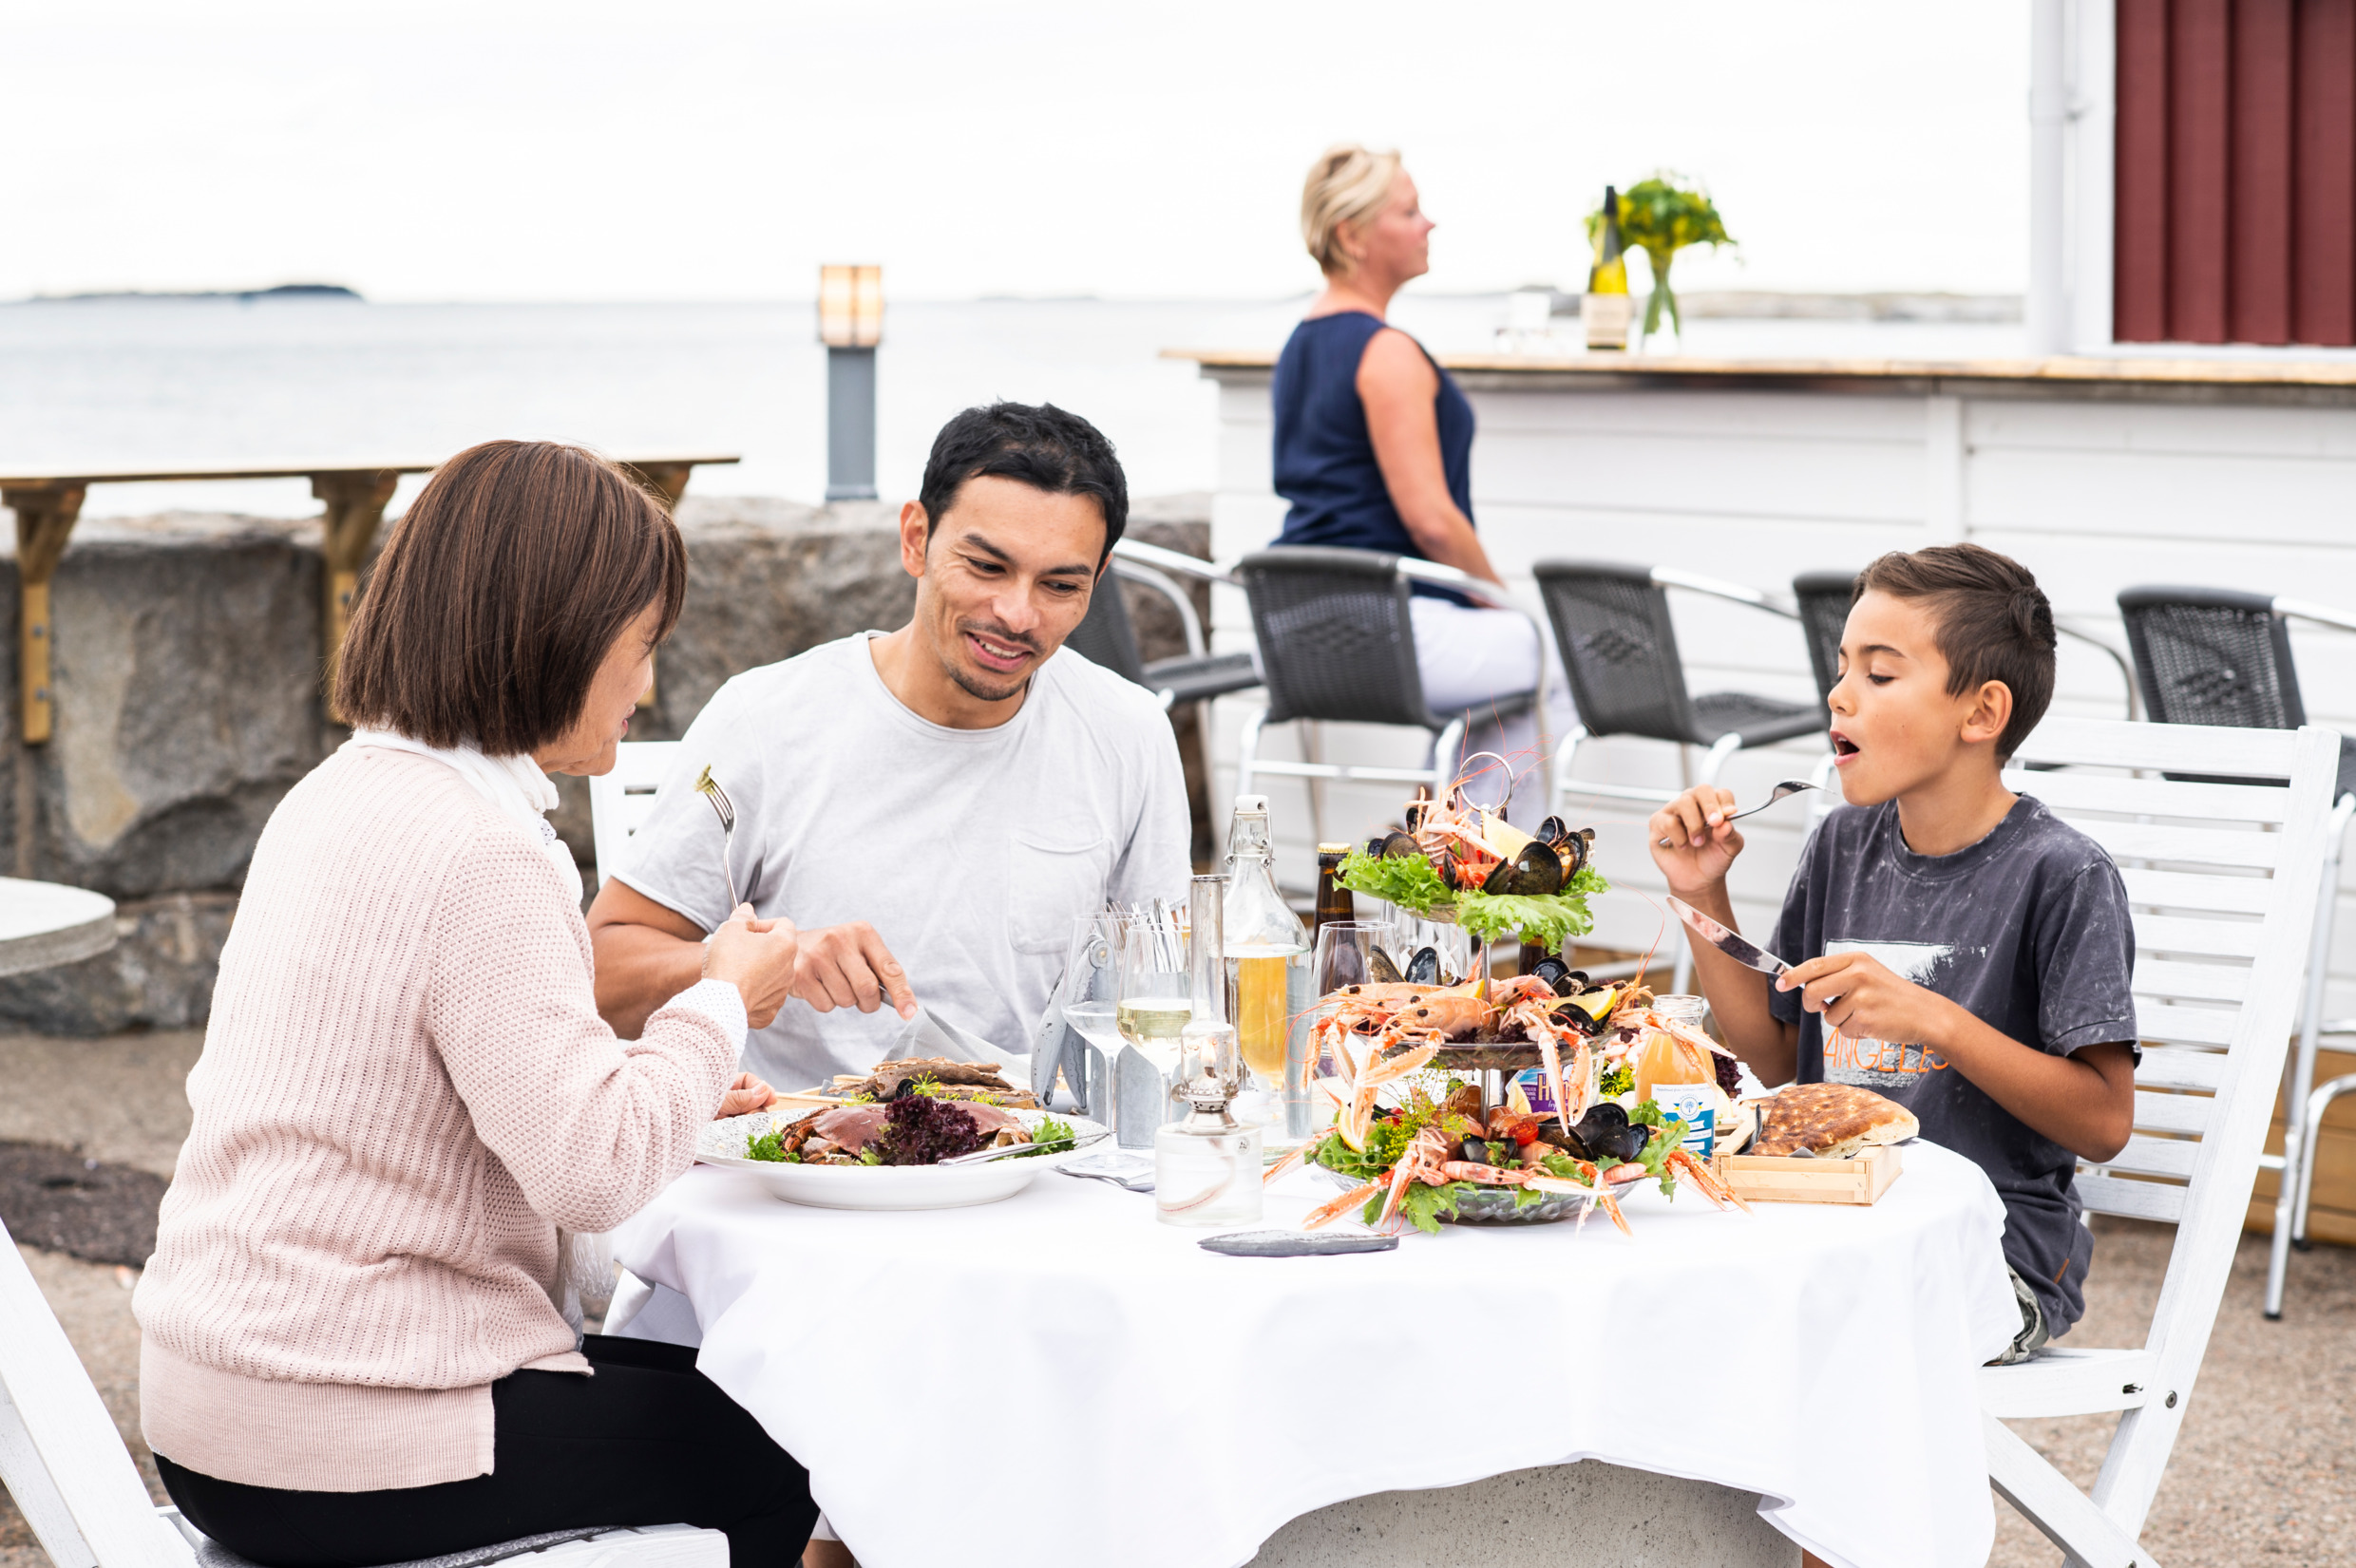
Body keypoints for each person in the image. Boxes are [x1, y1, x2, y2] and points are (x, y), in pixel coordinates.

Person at [133, 441, 818, 1568]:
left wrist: (663, 1087)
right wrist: (719, 999)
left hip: (215, 1410)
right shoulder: (484, 852)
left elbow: (443, 1091)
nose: (647, 687)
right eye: (642, 645)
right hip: (352, 1429)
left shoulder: (336, 793)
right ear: (559, 635)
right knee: (797, 1438)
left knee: (736, 1400)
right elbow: (590, 1169)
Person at [588, 401, 1191, 1092]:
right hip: (797, 1143)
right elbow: (602, 973)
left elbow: (1163, 991)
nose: (1018, 614)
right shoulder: (765, 719)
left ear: (1098, 580)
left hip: (1041, 1145)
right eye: (986, 566)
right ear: (915, 539)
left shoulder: (1129, 731)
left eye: (1060, 585)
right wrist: (758, 963)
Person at [1648, 543, 2138, 1374]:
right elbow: (1774, 1056)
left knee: (1777, 1343)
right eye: (1842, 667)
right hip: (1836, 1227)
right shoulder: (1841, 844)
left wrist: (1936, 1021)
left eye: (1879, 674)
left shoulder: (2062, 874)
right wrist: (1702, 894)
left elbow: (2104, 1122)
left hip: (1989, 1256)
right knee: (1680, 1300)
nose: (1839, 693)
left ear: (1981, 712)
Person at [1272, 143, 1570, 817]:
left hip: (1300, 626)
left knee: (1510, 683)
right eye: (1408, 211)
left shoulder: (1298, 345)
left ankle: (1436, 843)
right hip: (1383, 627)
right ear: (1353, 236)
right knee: (1553, 659)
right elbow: (1431, 521)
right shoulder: (1387, 352)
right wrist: (1501, 600)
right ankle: (1480, 868)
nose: (1428, 223)